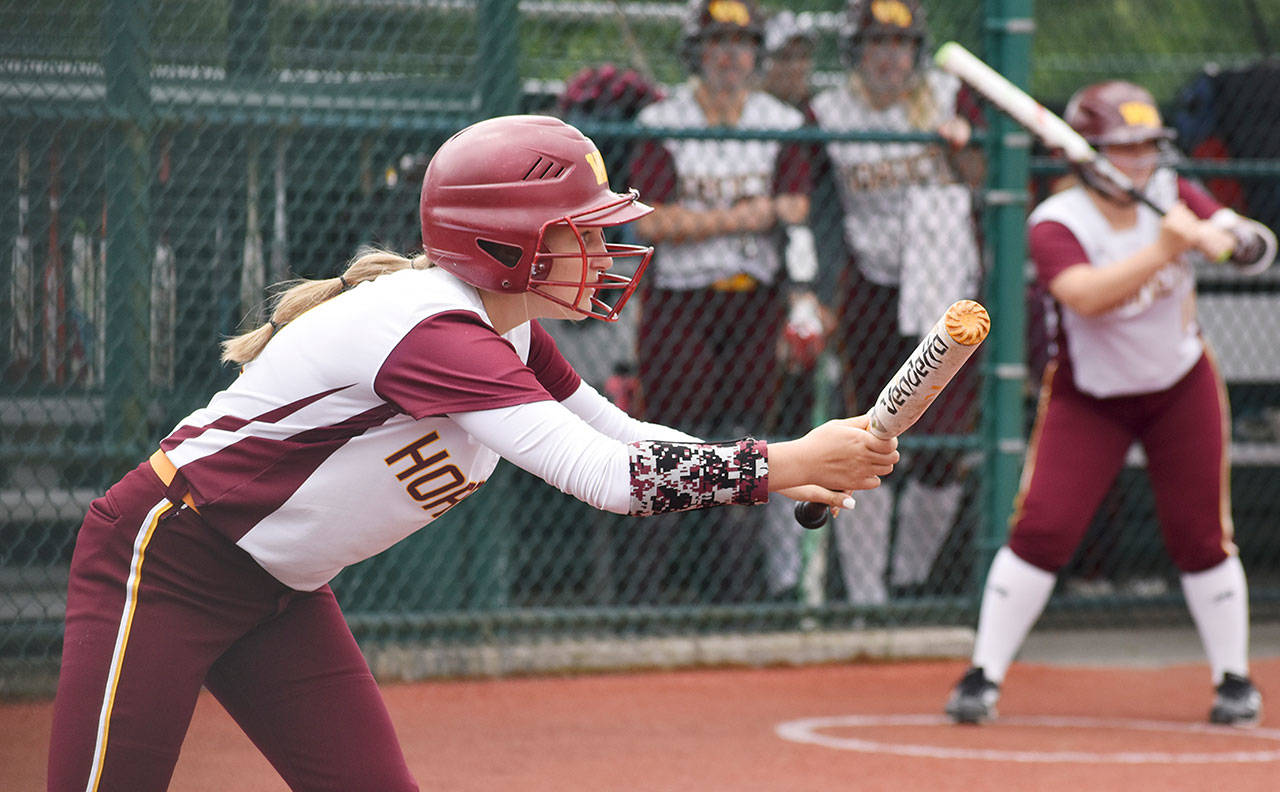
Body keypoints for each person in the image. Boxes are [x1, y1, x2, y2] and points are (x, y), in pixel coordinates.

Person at [46, 114, 899, 791]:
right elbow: (606, 480)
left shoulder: (507, 326)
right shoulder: (433, 328)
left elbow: (622, 436)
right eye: (581, 230)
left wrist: (791, 464)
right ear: (502, 239)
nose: (603, 251)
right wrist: (779, 464)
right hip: (163, 565)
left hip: (280, 595)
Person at [944, 81, 1276, 727]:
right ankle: (982, 674)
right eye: (1125, 149)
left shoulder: (1175, 193)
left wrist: (1231, 242)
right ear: (1089, 155)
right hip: (1090, 396)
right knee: (1043, 526)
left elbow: (1256, 244)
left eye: (1149, 146)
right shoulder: (1057, 222)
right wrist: (1168, 248)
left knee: (1201, 533)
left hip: (1179, 386)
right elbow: (1087, 296)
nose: (1142, 160)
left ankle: (1234, 680)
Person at [629, 0, 817, 602]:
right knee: (673, 437)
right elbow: (653, 221)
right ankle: (649, 594)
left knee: (744, 442)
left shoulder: (780, 122)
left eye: (741, 44)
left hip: (753, 301)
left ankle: (737, 593)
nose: (731, 56)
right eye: (717, 43)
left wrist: (705, 217)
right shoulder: (664, 119)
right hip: (683, 300)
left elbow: (798, 209)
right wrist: (749, 216)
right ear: (696, 51)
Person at [808, 0, 984, 603]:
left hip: (947, 286)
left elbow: (988, 179)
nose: (890, 56)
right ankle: (865, 597)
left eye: (901, 44)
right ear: (855, 50)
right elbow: (818, 207)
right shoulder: (828, 110)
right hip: (873, 283)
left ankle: (911, 580)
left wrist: (960, 147)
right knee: (870, 439)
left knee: (943, 445)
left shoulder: (948, 93)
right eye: (877, 43)